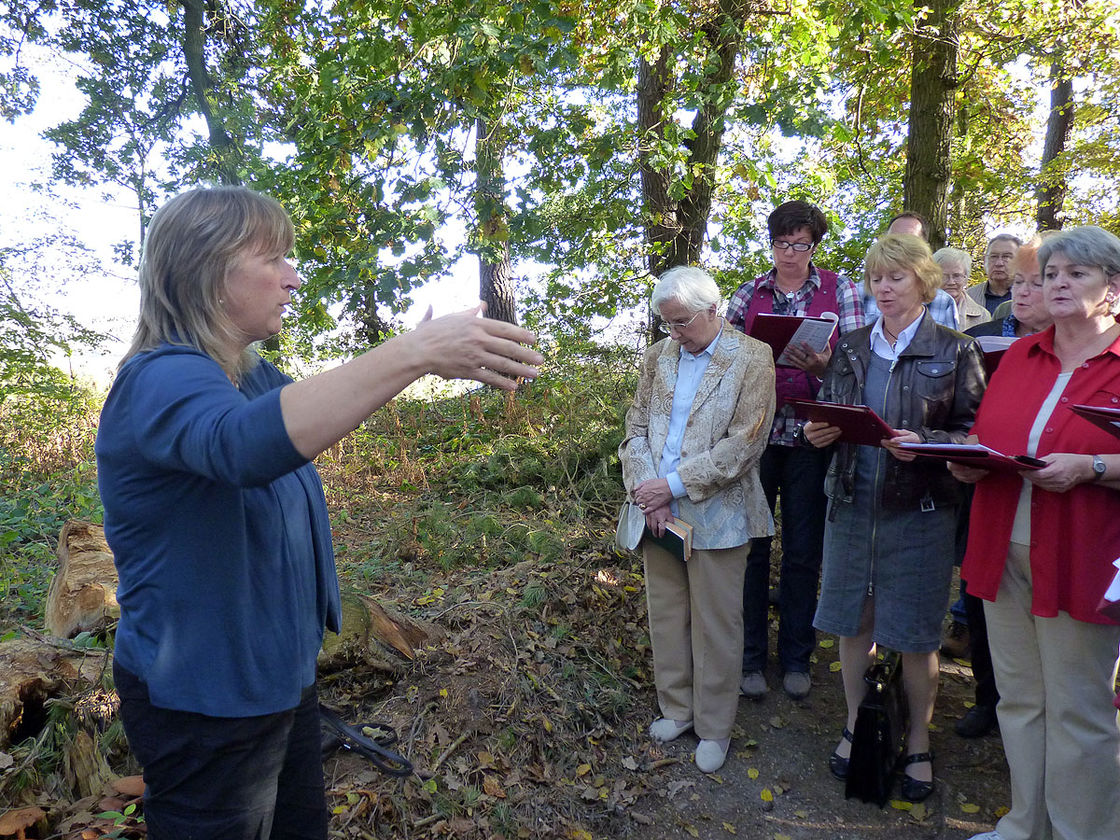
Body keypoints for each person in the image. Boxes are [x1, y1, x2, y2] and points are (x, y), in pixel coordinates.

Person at [96, 186, 543, 838]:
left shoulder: (249, 376)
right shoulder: (159, 378)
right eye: (273, 258)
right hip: (204, 701)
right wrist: (412, 353)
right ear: (208, 271)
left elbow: (305, 413)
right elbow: (244, 447)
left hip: (277, 680)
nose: (293, 278)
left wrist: (416, 355)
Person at [803, 234, 986, 802]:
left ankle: (916, 739)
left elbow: (976, 434)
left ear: (923, 282)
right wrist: (819, 433)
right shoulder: (853, 347)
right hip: (853, 505)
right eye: (876, 279)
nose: (884, 288)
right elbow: (830, 414)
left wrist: (926, 441)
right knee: (853, 624)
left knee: (913, 635)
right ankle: (857, 725)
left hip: (921, 510)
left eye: (896, 278)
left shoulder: (955, 350)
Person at [951, 226, 1120, 840]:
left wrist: (1093, 468)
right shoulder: (1019, 355)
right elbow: (995, 439)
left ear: (1114, 289)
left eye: (1076, 274)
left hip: (1085, 553)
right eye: (1051, 274)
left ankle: (1084, 832)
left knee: (1080, 708)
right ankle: (1025, 826)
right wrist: (968, 460)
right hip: (1001, 545)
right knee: (1019, 700)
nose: (1058, 284)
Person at [621, 265, 775, 773]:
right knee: (666, 615)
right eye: (668, 324)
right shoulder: (657, 356)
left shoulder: (753, 357)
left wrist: (674, 485)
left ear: (716, 311)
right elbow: (636, 427)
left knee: (716, 625)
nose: (676, 334)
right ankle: (678, 710)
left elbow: (745, 443)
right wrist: (650, 493)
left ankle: (714, 727)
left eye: (684, 322)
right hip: (656, 513)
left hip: (719, 514)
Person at [726, 200, 864, 701]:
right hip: (757, 436)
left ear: (814, 246)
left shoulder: (840, 291)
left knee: (804, 551)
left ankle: (797, 657)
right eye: (782, 243)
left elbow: (858, 369)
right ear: (771, 242)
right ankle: (748, 657)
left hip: (812, 435)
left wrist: (826, 364)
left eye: (800, 244)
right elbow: (724, 365)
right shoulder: (748, 294)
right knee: (753, 547)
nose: (790, 253)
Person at [950, 238, 1055, 740]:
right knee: (980, 592)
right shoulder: (983, 336)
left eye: (1036, 283)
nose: (1024, 293)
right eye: (1018, 283)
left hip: (1054, 499)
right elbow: (966, 409)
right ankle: (989, 698)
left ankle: (1051, 709)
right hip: (988, 489)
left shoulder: (1087, 352)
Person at [861, 212, 959, 329]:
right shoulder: (856, 294)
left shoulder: (944, 302)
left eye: (896, 278)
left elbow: (951, 344)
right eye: (894, 239)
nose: (900, 246)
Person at [933, 246, 990, 331]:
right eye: (944, 276)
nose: (951, 282)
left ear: (966, 279)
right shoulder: (919, 310)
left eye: (957, 276)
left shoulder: (983, 316)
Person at [967, 234, 1022, 315]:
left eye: (1006, 257)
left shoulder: (1029, 295)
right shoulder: (969, 297)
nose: (999, 263)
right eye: (994, 256)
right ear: (985, 260)